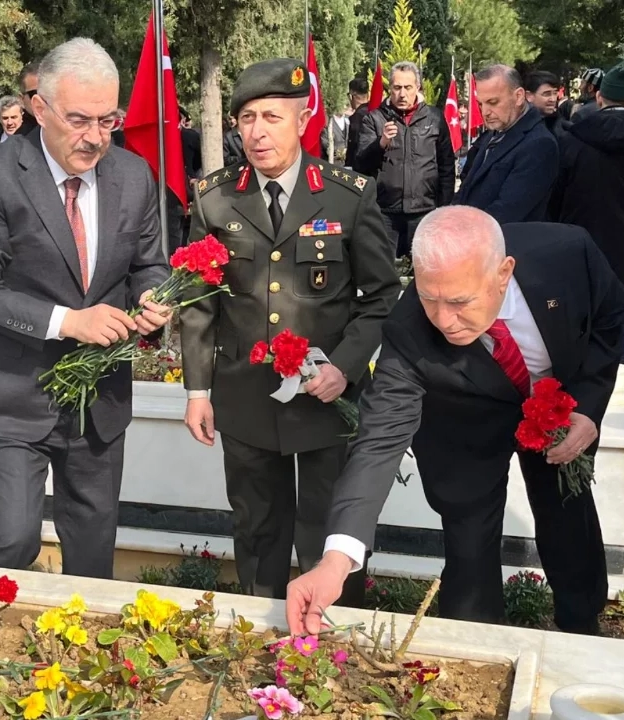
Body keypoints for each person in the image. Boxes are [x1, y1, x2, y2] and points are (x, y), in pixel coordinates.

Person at [285, 206, 623, 637]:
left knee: (566, 513)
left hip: (555, 405)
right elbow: (378, 441)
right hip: (463, 421)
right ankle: (476, 640)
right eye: (429, 298)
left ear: (503, 273)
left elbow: (609, 320)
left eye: (460, 302)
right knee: (469, 538)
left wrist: (588, 407)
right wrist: (337, 559)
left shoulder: (568, 255)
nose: (444, 320)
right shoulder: (409, 329)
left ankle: (581, 625)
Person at [180, 58, 399, 602]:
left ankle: (330, 633)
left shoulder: (348, 195)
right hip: (246, 396)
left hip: (326, 399)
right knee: (257, 531)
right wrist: (197, 390)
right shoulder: (215, 197)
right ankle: (264, 630)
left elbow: (381, 296)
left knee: (330, 533)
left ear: (302, 121)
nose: (257, 132)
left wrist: (345, 368)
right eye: (247, 118)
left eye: (272, 117)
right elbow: (198, 303)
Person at [0, 38, 171, 579]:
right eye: (79, 120)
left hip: (99, 400)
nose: (95, 136)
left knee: (93, 554)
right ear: (40, 108)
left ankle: (83, 634)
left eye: (108, 120)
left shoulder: (134, 175)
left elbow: (149, 264)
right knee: (12, 538)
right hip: (11, 391)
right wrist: (70, 322)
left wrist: (152, 299)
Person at [548, 63, 624, 371]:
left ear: (599, 97)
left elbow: (554, 198)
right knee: (622, 341)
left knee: (580, 336)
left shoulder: (571, 138)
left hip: (579, 255)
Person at [355, 62, 455, 258]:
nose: (402, 94)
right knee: (383, 269)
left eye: (408, 87)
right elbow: (360, 165)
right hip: (385, 213)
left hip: (424, 211)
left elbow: (446, 165)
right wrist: (381, 143)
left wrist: (443, 207)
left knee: (423, 268)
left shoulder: (434, 118)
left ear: (417, 87)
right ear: (389, 89)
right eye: (397, 87)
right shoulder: (374, 119)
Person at [453, 65, 558, 224]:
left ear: (519, 97)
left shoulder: (539, 144)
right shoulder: (497, 131)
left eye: (493, 102)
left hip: (503, 237)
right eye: (481, 104)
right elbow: (467, 189)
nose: (485, 112)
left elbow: (508, 210)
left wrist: (461, 229)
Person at [524, 70, 568, 138]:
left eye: (555, 93)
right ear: (529, 96)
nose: (553, 99)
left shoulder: (563, 128)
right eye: (547, 94)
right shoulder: (518, 125)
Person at [344, 77, 370, 169]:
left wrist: (349, 165)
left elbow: (354, 144)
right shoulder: (375, 112)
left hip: (359, 167)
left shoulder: (357, 117)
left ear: (352, 95)